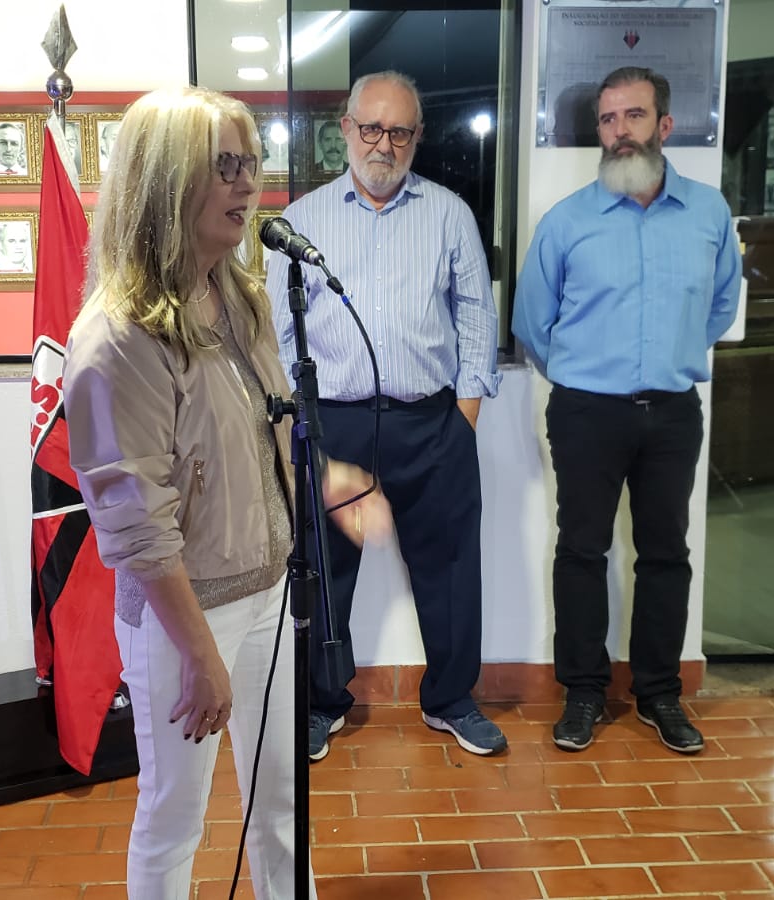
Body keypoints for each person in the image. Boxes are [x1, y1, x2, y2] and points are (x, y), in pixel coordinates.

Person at [64, 84, 370, 900]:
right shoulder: (117, 337)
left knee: (283, 804)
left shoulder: (241, 296)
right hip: (183, 617)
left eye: (250, 163)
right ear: (166, 180)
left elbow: (259, 434)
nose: (246, 183)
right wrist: (200, 655)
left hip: (270, 594)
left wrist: (327, 481)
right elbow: (136, 523)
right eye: (222, 165)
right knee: (176, 821)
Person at [267, 70, 506, 762]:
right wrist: (295, 422)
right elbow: (279, 331)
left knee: (451, 566)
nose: (384, 144)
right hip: (333, 426)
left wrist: (464, 413)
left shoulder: (449, 214)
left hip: (432, 424)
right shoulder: (303, 219)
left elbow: (475, 315)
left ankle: (451, 700)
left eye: (399, 131)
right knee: (324, 568)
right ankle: (321, 703)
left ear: (417, 137)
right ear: (345, 129)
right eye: (371, 128)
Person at [513, 66, 740, 756]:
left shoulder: (708, 214)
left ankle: (659, 693)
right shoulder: (567, 221)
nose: (620, 131)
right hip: (586, 411)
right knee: (582, 550)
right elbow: (532, 323)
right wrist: (586, 374)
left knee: (666, 552)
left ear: (664, 125)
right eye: (608, 119)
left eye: (633, 116)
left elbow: (720, 306)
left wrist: (667, 356)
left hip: (672, 412)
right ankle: (583, 692)